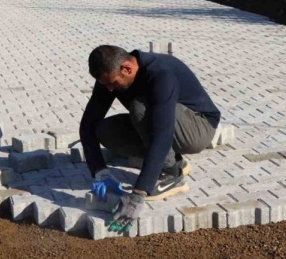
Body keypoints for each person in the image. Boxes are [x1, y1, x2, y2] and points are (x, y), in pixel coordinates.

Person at [80, 45, 220, 231]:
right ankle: (174, 160)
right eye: (106, 84)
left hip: (197, 127)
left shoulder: (161, 73)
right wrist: (99, 171)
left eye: (112, 83)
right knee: (105, 130)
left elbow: (162, 133)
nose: (110, 89)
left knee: (140, 109)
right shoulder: (109, 77)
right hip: (163, 122)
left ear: (127, 69)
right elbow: (88, 124)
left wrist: (138, 194)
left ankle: (172, 173)